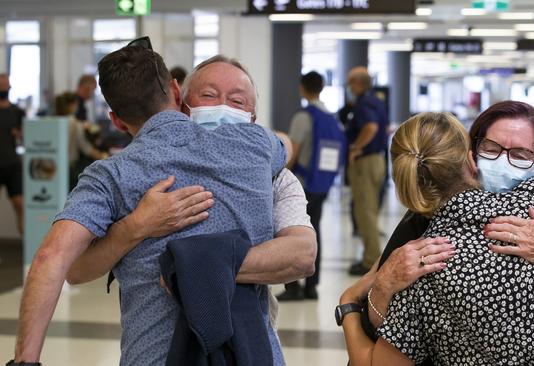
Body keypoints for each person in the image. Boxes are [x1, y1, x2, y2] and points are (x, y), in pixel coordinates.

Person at [11, 42, 295, 366]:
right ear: (177, 92)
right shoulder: (255, 144)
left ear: (116, 120)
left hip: (152, 356)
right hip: (251, 354)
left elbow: (52, 257)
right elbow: (286, 145)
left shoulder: (111, 175)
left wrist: (25, 360)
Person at [352, 101, 534, 365]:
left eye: (520, 154)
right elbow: (383, 324)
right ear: (470, 156)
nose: (502, 162)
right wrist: (383, 285)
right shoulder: (422, 227)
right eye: (491, 149)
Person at [277, 71, 346, 301]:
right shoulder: (330, 117)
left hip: (303, 184)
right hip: (323, 184)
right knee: (314, 230)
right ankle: (312, 287)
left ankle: (294, 286)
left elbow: (292, 151)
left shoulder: (303, 117)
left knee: (289, 232)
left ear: (303, 88)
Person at [346, 66, 389, 275]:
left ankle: (371, 260)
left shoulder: (365, 103)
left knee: (365, 211)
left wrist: (356, 147)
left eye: (350, 82)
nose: (349, 86)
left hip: (367, 161)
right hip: (376, 160)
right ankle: (370, 256)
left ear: (359, 83)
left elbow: (370, 127)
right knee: (366, 210)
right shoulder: (376, 101)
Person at [53, 92, 108, 190]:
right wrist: (103, 157)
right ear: (72, 105)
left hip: (53, 168)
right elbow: (86, 148)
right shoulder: (74, 123)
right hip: (69, 170)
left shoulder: (52, 121)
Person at [0, 73, 25, 235]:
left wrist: (20, 134)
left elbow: (25, 136)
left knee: (20, 205)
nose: (4, 88)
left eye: (5, 85)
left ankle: (28, 251)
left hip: (12, 164)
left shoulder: (17, 112)